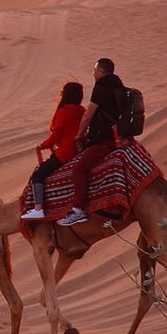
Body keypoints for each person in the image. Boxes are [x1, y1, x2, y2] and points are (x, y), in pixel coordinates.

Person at [57, 58, 124, 226]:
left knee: (78, 170)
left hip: (104, 140)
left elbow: (89, 113)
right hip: (118, 138)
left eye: (94, 71)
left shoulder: (101, 87)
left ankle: (78, 210)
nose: (93, 74)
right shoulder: (119, 87)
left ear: (101, 71)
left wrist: (79, 135)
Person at [21, 82, 86, 220]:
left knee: (38, 175)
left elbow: (56, 136)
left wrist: (42, 145)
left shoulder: (64, 111)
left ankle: (38, 209)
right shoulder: (82, 110)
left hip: (66, 153)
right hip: (79, 151)